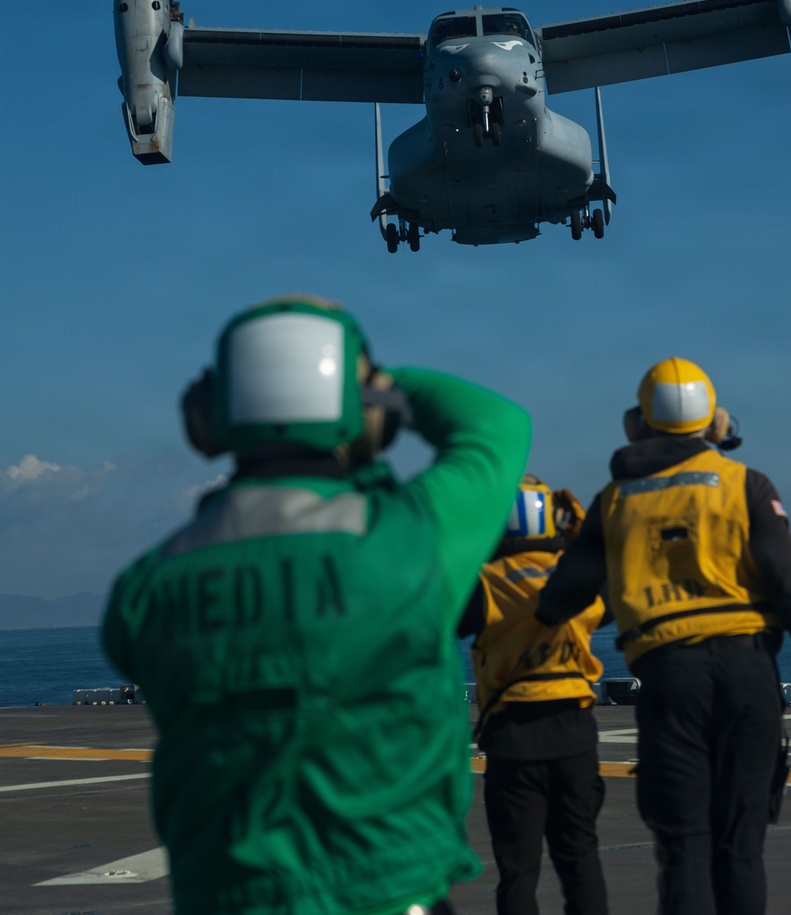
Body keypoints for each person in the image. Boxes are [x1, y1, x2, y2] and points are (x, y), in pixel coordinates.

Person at [102, 295, 531, 915]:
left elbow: (128, 649)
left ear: (208, 415)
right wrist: (377, 385)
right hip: (386, 892)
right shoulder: (410, 541)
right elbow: (498, 424)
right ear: (369, 414)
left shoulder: (148, 586)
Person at [536, 357, 791, 915]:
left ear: (637, 423)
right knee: (741, 850)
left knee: (684, 850)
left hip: (669, 681)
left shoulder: (614, 501)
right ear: (714, 423)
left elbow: (561, 601)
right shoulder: (745, 483)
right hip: (748, 675)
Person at [459, 476, 608, 915]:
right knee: (580, 858)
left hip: (513, 736)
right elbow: (602, 586)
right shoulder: (573, 580)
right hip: (574, 734)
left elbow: (452, 621)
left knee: (518, 870)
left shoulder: (485, 582)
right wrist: (576, 533)